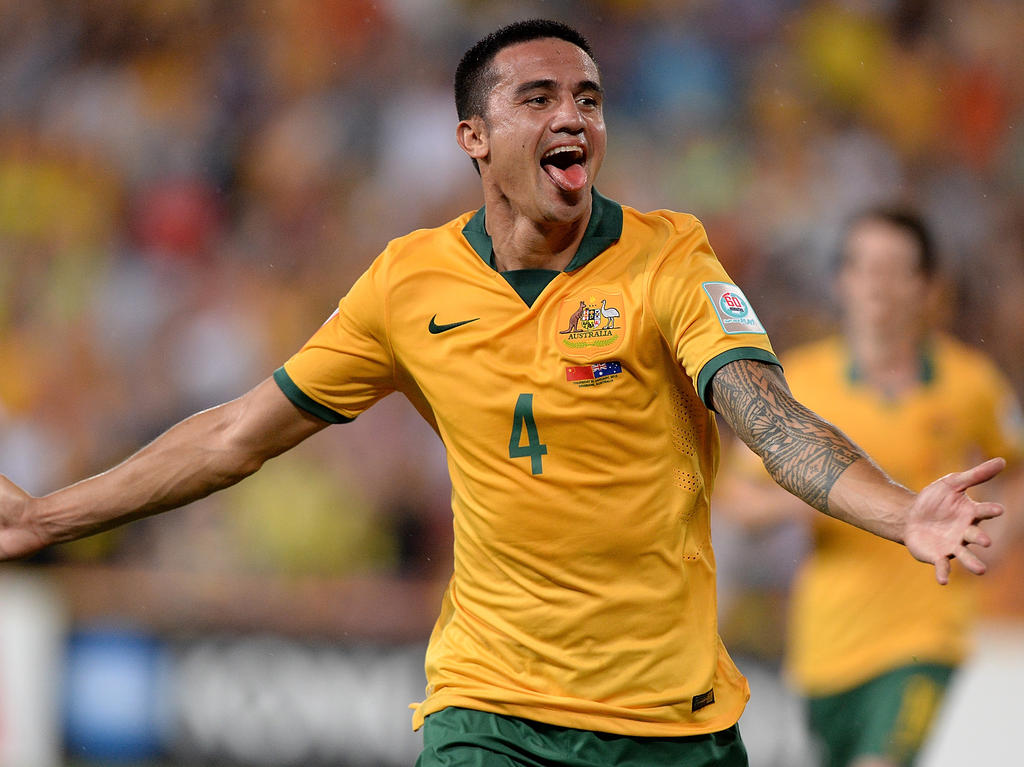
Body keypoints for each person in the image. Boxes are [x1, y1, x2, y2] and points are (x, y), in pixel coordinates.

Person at [0, 20, 1008, 767]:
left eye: (589, 98)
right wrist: (50, 513)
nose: (572, 114)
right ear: (472, 138)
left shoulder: (671, 259)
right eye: (538, 97)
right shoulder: (408, 281)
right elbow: (235, 435)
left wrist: (894, 510)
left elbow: (764, 412)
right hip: (490, 703)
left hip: (669, 719)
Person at [717, 205, 1024, 767]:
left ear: (927, 286)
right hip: (826, 643)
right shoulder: (801, 382)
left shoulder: (971, 384)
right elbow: (735, 498)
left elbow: (1018, 469)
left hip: (926, 633)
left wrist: (1003, 528)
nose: (877, 284)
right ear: (841, 281)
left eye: (896, 268)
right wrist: (813, 494)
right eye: (864, 267)